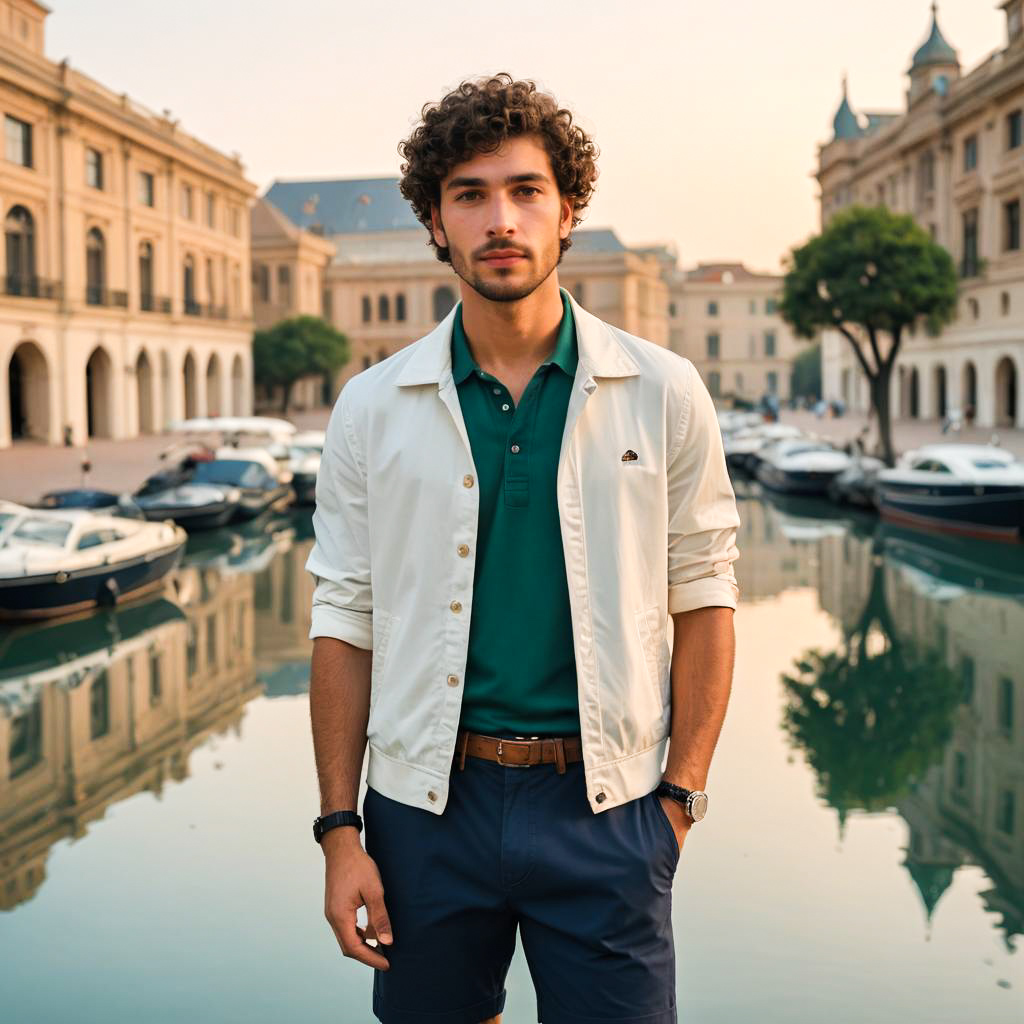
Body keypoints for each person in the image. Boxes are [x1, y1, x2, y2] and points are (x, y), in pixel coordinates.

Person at [305, 74, 741, 1024]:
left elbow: (706, 595)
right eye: (469, 195)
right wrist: (342, 832)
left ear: (567, 209)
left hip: (609, 808)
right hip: (426, 811)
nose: (499, 218)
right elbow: (344, 616)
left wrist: (678, 802)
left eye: (524, 190)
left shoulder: (664, 390)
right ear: (435, 220)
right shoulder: (371, 407)